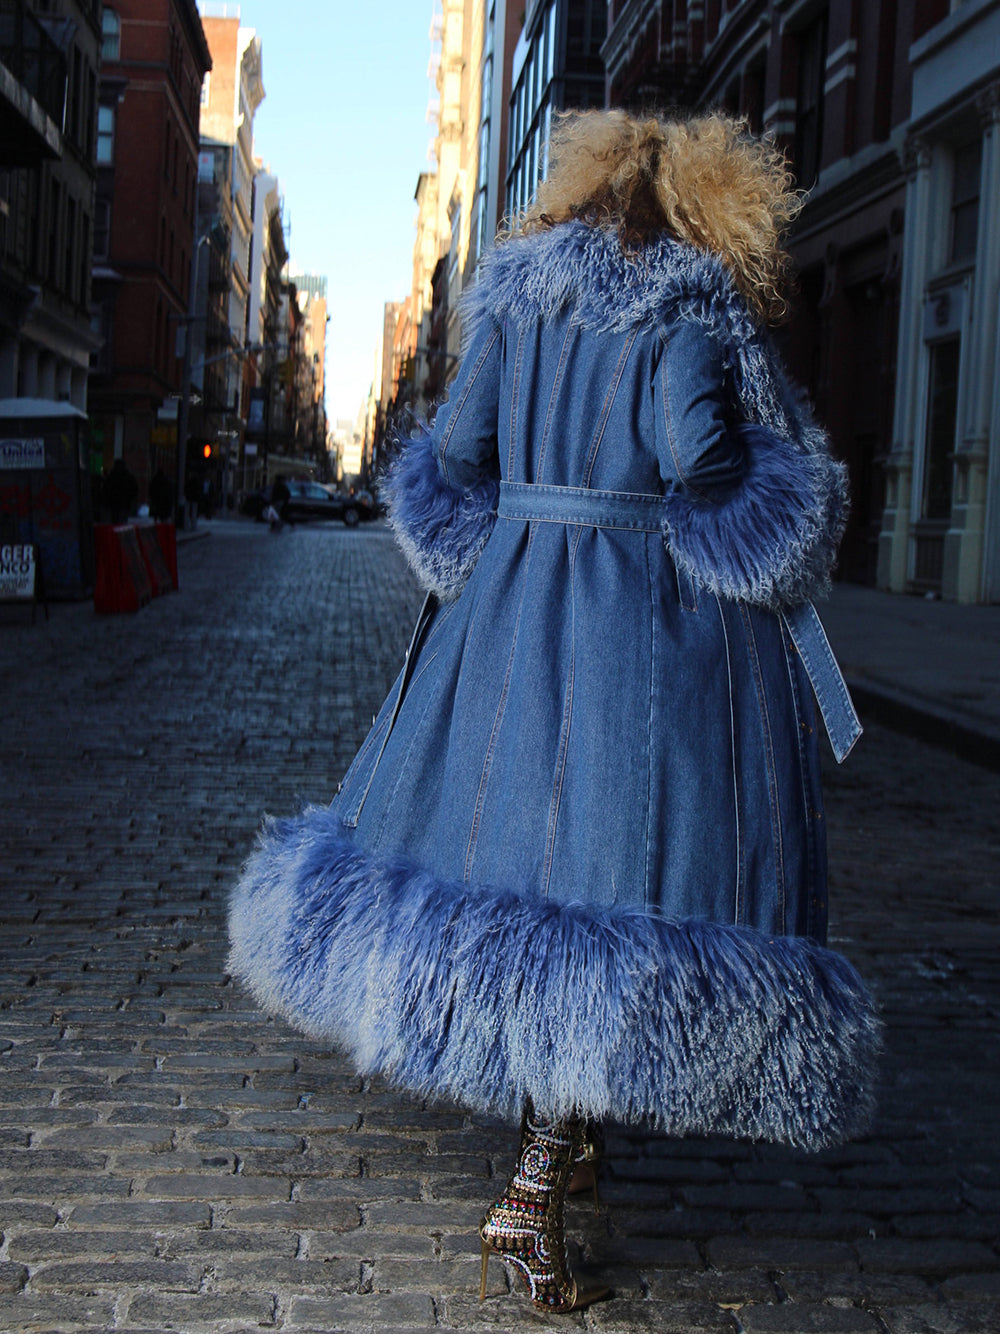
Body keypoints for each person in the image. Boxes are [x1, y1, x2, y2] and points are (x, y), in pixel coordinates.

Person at [229, 111, 881, 1315]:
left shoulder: (514, 304)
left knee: (510, 865)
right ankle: (528, 1196)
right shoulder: (683, 306)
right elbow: (701, 458)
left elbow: (449, 456)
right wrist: (772, 498)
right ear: (699, 206)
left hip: (509, 615)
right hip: (637, 630)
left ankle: (564, 1147)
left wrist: (504, 542)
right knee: (614, 886)